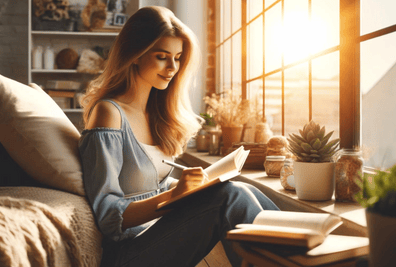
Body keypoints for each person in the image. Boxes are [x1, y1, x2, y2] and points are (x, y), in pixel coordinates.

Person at [78, 6, 280, 267]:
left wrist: (191, 187)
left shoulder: (156, 113)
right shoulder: (109, 113)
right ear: (135, 55)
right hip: (127, 254)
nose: (172, 67)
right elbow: (107, 216)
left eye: (178, 57)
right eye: (162, 56)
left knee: (243, 188)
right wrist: (174, 196)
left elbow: (148, 187)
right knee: (229, 196)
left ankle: (312, 250)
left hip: (159, 234)